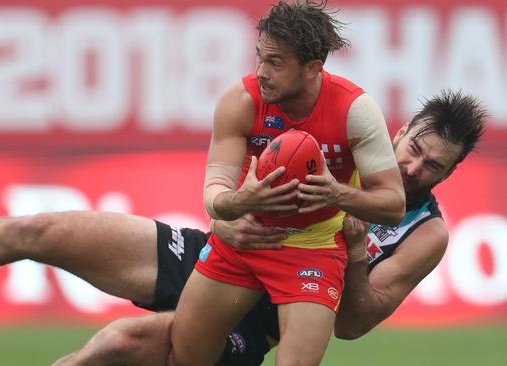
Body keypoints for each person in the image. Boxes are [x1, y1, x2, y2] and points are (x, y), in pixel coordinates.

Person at [55, 89, 486, 366]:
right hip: (220, 260)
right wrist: (222, 222)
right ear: (398, 131)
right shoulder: (343, 148)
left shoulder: (426, 234)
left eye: (433, 166)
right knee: (43, 234)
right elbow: (244, 182)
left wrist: (356, 252)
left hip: (259, 319)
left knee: (116, 344)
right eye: (414, 149)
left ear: (447, 176)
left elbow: (352, 325)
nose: (413, 168)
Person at [167, 1, 405, 365]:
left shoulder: (355, 110)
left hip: (314, 249)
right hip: (244, 240)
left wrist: (336, 193)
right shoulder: (240, 100)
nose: (261, 71)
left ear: (313, 68)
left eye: (275, 62)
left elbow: (393, 205)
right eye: (259, 57)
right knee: (186, 358)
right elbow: (214, 194)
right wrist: (239, 203)